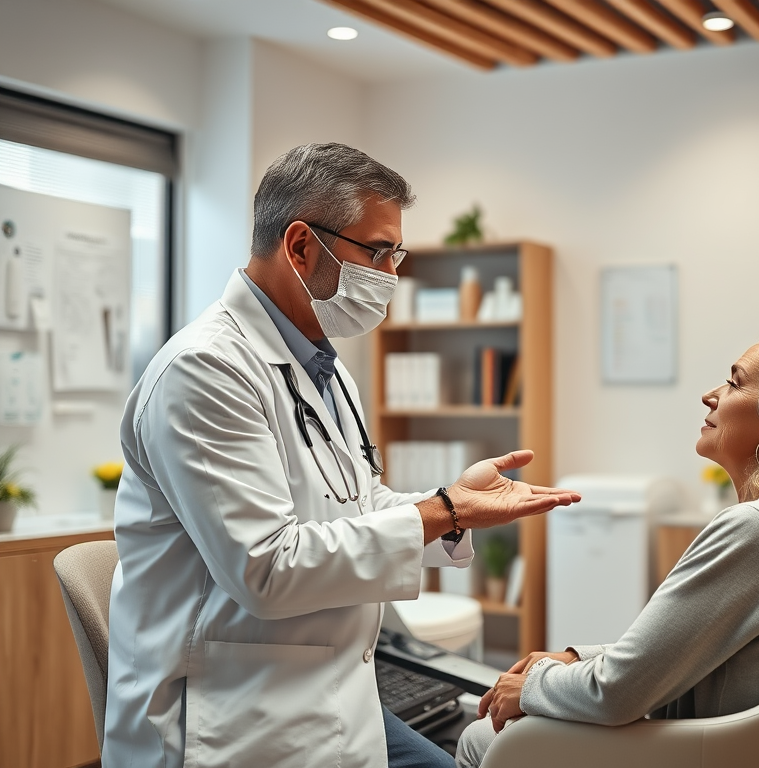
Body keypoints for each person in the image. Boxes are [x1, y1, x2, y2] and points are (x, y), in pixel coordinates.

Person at [103, 143, 580, 768]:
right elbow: (266, 569)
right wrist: (441, 510)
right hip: (231, 714)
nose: (391, 273)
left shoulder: (324, 369)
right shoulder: (206, 370)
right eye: (377, 252)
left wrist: (457, 507)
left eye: (396, 254)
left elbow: (356, 503)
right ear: (300, 245)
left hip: (322, 692)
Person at [456, 328, 759, 768]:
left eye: (734, 381)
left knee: (482, 738)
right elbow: (683, 650)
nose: (711, 395)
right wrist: (576, 658)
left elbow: (617, 694)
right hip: (757, 745)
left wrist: (533, 684)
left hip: (704, 752)